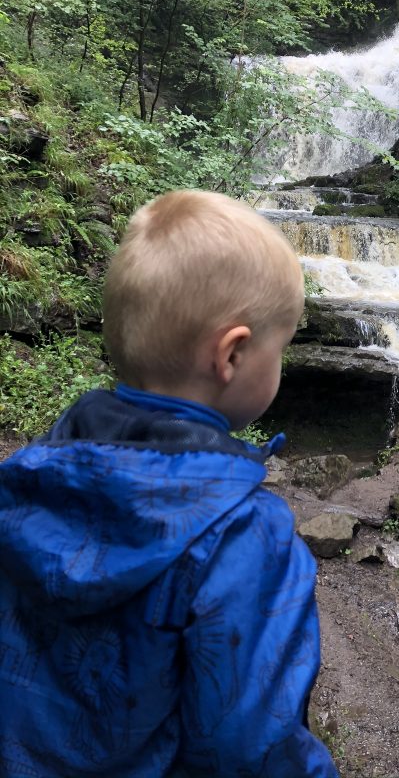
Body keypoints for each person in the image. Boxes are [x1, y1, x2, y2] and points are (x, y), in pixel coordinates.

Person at [0, 190, 339, 778]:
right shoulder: (246, 535)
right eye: (280, 348)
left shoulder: (36, 472)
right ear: (231, 355)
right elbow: (252, 747)